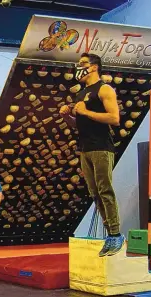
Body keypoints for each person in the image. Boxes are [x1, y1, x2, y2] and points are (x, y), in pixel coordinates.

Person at [59, 52, 123, 256]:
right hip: (85, 148)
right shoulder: (81, 94)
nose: (80, 67)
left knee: (105, 190)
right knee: (95, 193)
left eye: (83, 64)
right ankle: (109, 233)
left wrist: (85, 112)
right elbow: (79, 125)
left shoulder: (104, 89)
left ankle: (115, 234)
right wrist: (67, 116)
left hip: (102, 147)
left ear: (94, 67)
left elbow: (114, 118)